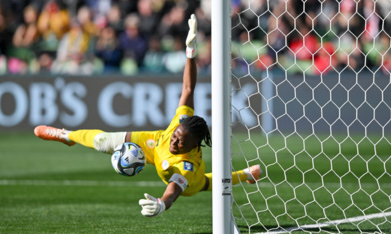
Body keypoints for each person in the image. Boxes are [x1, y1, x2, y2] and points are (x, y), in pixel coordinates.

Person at [34, 14, 262, 217]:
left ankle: (244, 175)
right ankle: (67, 135)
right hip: (154, 144)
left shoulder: (186, 167)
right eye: (176, 135)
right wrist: (190, 53)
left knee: (205, 183)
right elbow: (188, 88)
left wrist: (162, 204)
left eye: (181, 141)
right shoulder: (178, 127)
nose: (175, 139)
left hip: (187, 181)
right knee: (103, 140)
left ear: (194, 146)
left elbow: (173, 190)